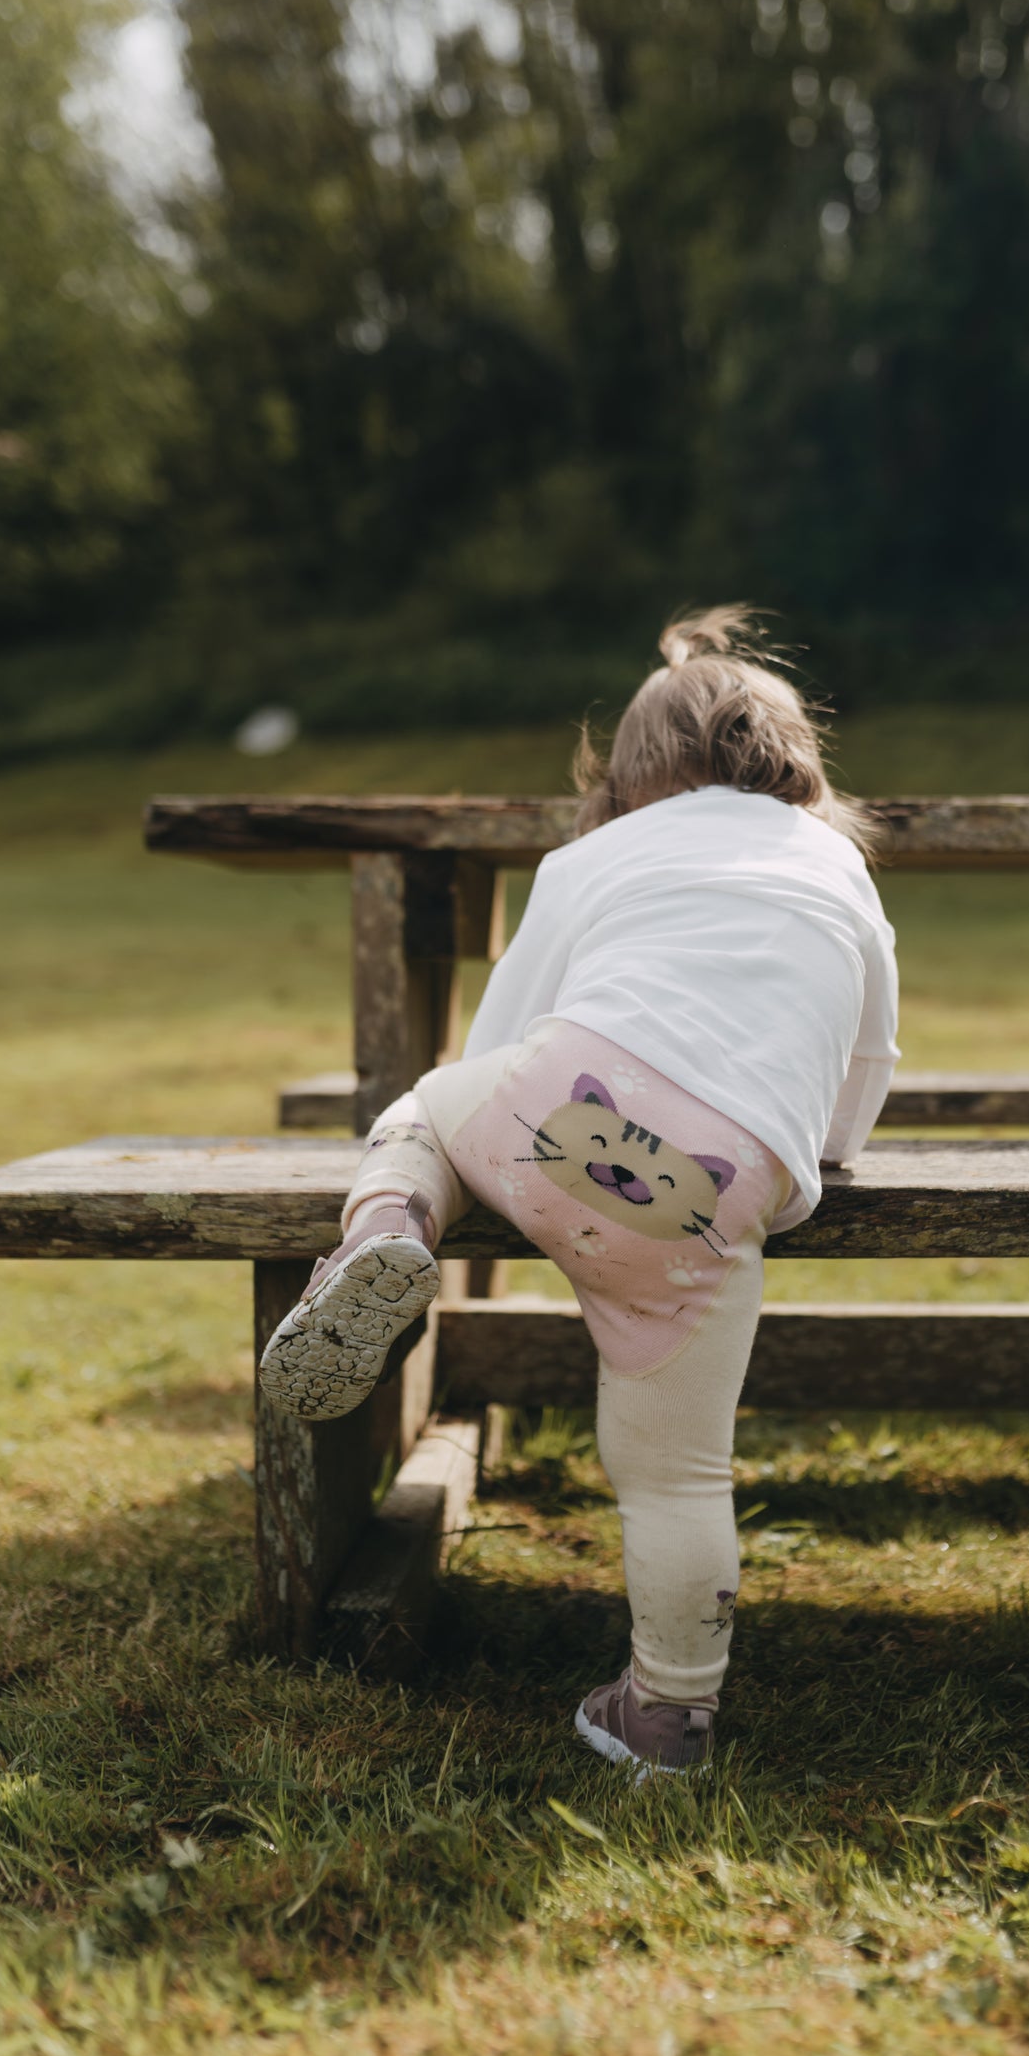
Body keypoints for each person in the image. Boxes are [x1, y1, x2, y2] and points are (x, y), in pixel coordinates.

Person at [259, 608, 899, 1774]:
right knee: (677, 1469)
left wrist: (484, 1156)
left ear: (627, 775)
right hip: (722, 1187)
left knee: (424, 1107)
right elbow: (865, 1058)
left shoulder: (590, 856)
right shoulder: (835, 863)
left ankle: (386, 1228)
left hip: (563, 1102)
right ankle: (665, 1715)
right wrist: (827, 1152)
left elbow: (506, 1031)